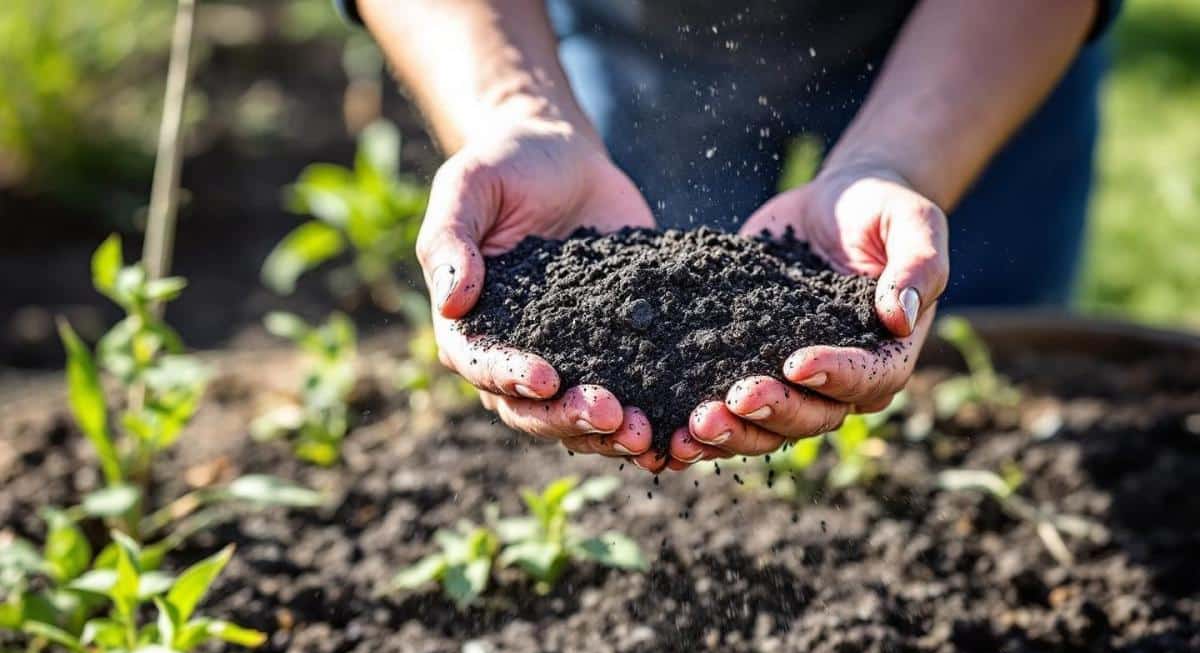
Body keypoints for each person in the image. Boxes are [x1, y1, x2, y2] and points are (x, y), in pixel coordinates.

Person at [337, 0, 1118, 471]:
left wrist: (899, 166)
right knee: (633, 420)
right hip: (637, 35)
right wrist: (519, 114)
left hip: (976, 43)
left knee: (993, 378)